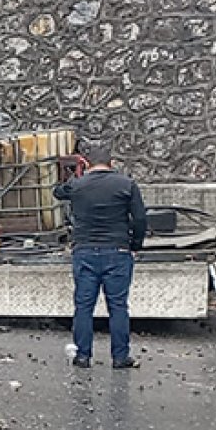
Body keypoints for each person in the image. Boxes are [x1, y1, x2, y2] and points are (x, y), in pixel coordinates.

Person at [53, 142, 147, 369]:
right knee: (118, 306)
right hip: (118, 251)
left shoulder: (77, 185)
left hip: (84, 251)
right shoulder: (127, 184)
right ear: (111, 163)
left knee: (84, 306)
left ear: (87, 164)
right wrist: (135, 245)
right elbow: (140, 219)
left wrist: (73, 174)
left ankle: (83, 356)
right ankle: (120, 357)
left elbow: (58, 192)